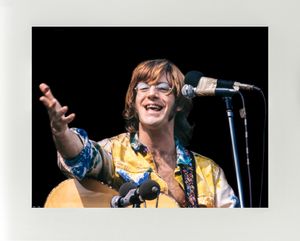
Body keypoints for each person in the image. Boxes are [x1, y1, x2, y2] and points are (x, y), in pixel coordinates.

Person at [39, 59, 239, 208]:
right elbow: (81, 157)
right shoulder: (115, 152)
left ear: (178, 103)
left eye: (163, 88)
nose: (152, 93)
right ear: (135, 101)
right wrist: (61, 132)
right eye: (143, 87)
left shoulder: (209, 173)